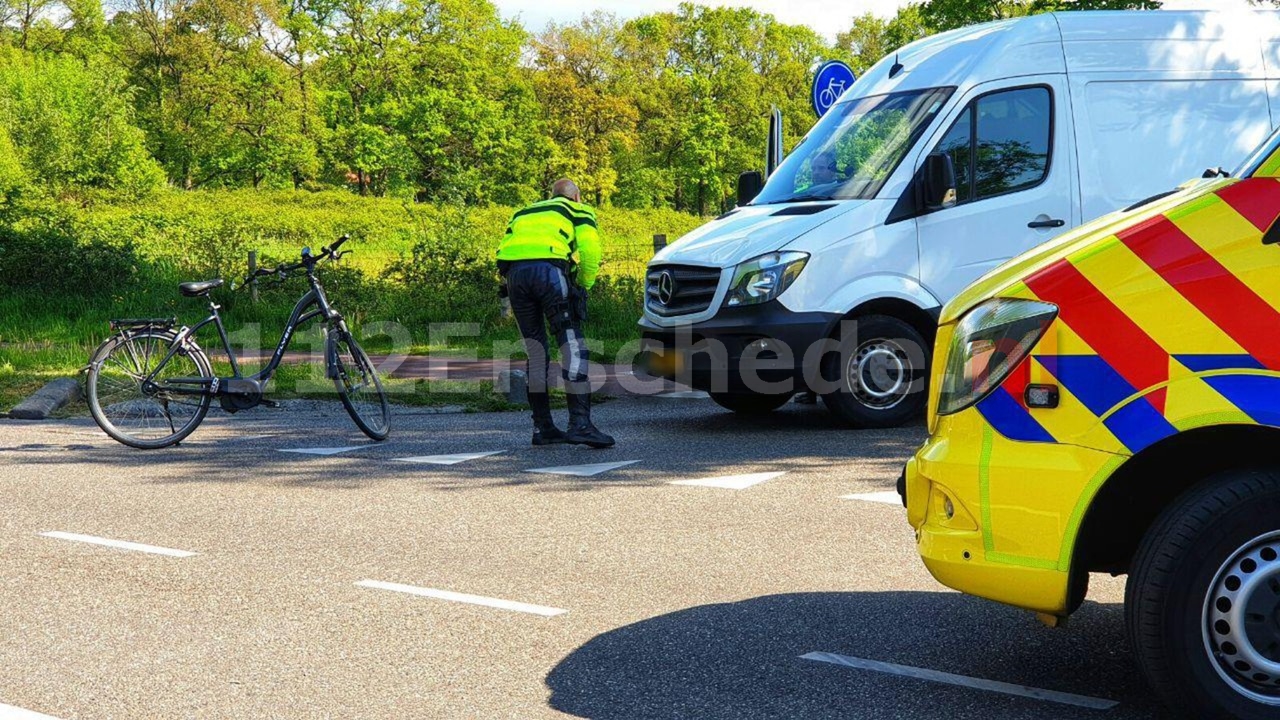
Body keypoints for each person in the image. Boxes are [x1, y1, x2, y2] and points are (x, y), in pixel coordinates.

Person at [497, 179, 615, 448]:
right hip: (549, 272)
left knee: (535, 351)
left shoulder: (524, 212)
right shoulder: (577, 210)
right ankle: (580, 425)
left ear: (550, 196)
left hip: (514, 276)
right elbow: (589, 250)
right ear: (577, 196)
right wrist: (583, 286)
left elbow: (504, 247)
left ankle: (543, 428)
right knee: (573, 346)